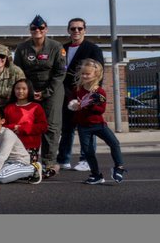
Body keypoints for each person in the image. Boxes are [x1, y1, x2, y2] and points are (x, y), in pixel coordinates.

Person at [13, 15, 66, 178]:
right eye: (34, 28)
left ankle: (49, 162)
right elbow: (19, 71)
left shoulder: (56, 47)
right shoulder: (22, 48)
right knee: (26, 124)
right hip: (30, 89)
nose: (37, 31)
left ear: (46, 29)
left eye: (41, 28)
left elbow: (60, 72)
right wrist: (27, 91)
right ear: (30, 30)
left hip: (52, 90)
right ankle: (27, 160)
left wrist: (46, 92)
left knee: (51, 126)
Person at [69, 59, 125, 185]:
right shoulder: (77, 90)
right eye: (83, 73)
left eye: (87, 74)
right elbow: (71, 103)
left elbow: (101, 110)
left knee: (114, 143)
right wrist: (74, 105)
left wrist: (90, 104)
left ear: (96, 75)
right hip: (83, 126)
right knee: (88, 152)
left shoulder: (99, 92)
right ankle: (96, 175)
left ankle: (119, 167)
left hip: (99, 124)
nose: (84, 76)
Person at [59, 17, 104, 172]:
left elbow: (98, 74)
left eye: (79, 28)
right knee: (67, 128)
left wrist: (91, 96)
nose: (76, 31)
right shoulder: (62, 48)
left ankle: (86, 160)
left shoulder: (93, 49)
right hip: (66, 95)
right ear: (68, 30)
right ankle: (63, 159)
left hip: (85, 95)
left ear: (85, 30)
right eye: (73, 28)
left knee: (87, 128)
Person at [0, 108, 43, 185]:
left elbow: (2, 155)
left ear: (2, 121)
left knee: (0, 178)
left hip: (17, 161)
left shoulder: (7, 134)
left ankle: (33, 168)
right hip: (5, 162)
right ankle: (3, 171)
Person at [4, 79, 47, 162]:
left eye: (24, 89)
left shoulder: (36, 107)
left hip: (31, 145)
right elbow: (2, 126)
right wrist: (13, 127)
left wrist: (22, 128)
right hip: (12, 145)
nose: (20, 91)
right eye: (17, 88)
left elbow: (43, 126)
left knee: (30, 170)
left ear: (29, 90)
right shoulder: (9, 108)